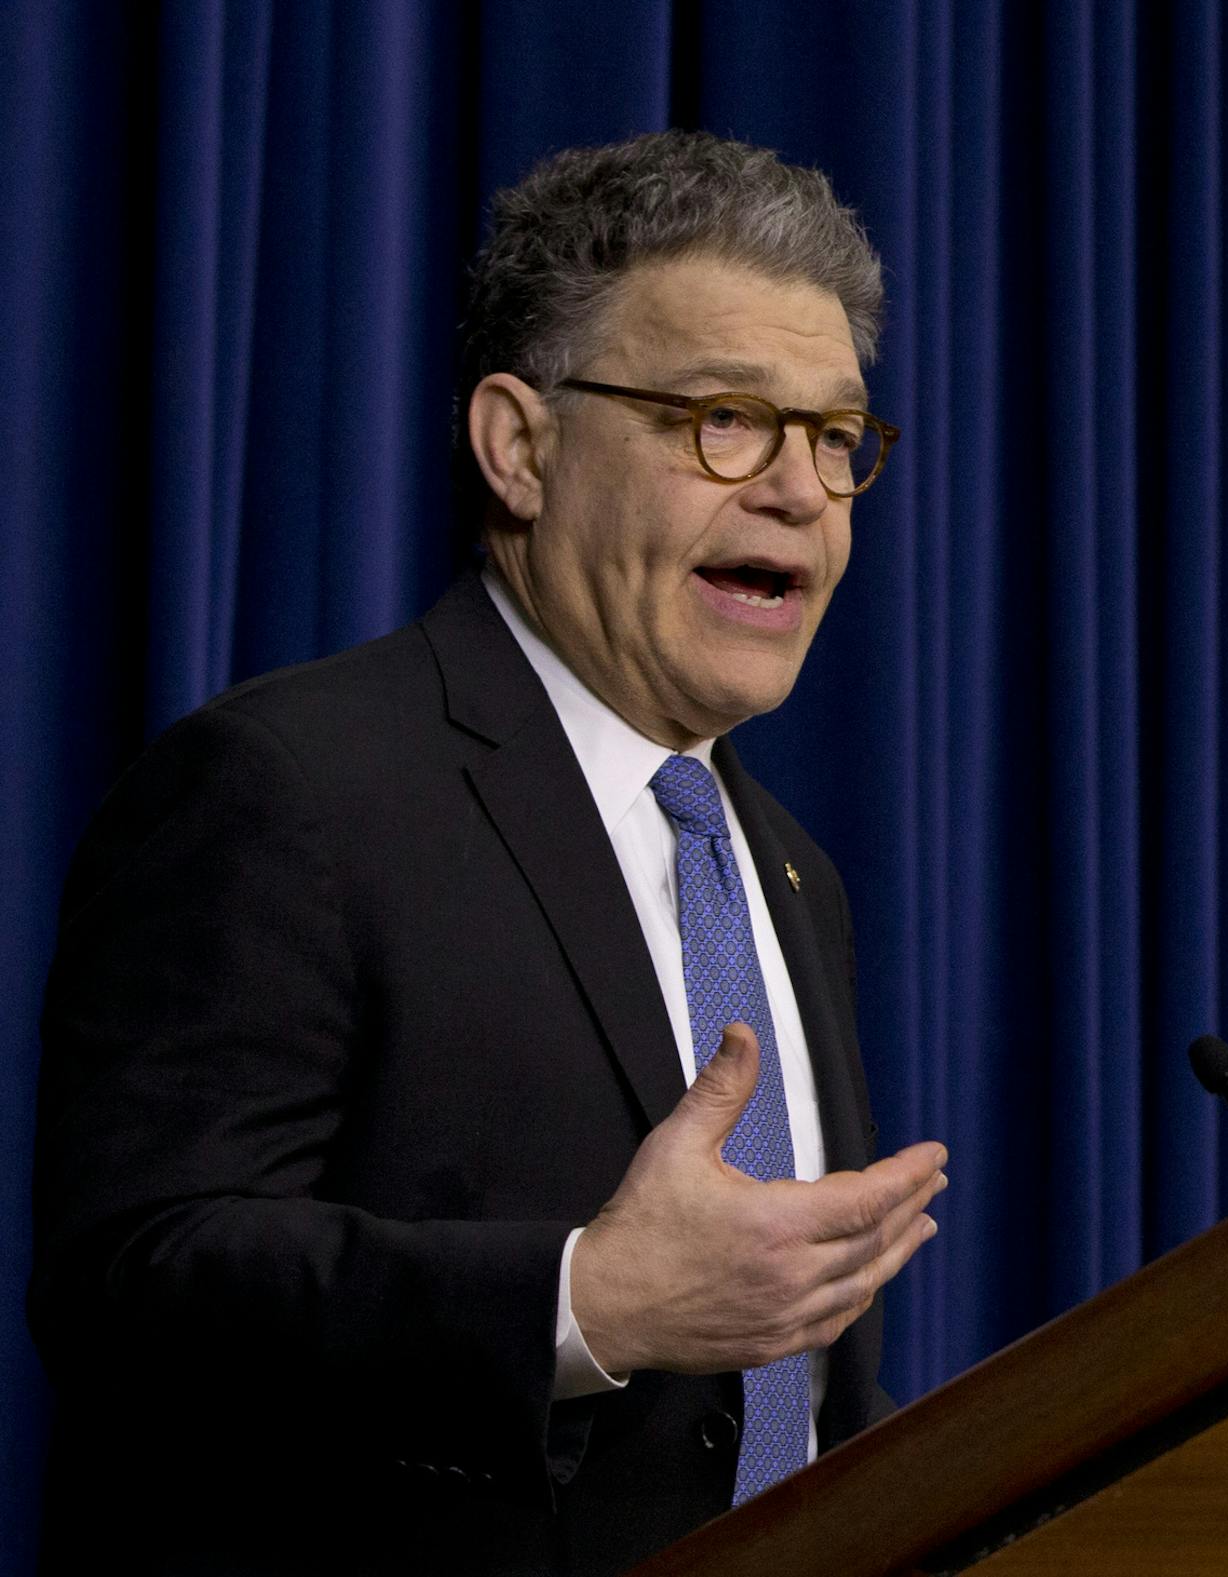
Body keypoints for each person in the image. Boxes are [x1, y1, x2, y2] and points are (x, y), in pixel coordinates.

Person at [30, 130, 944, 1576]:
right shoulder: (293, 789)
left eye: (836, 437)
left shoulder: (789, 874)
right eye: (726, 418)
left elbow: (767, 1409)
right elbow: (130, 1288)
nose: (800, 491)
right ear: (521, 446)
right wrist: (585, 1303)